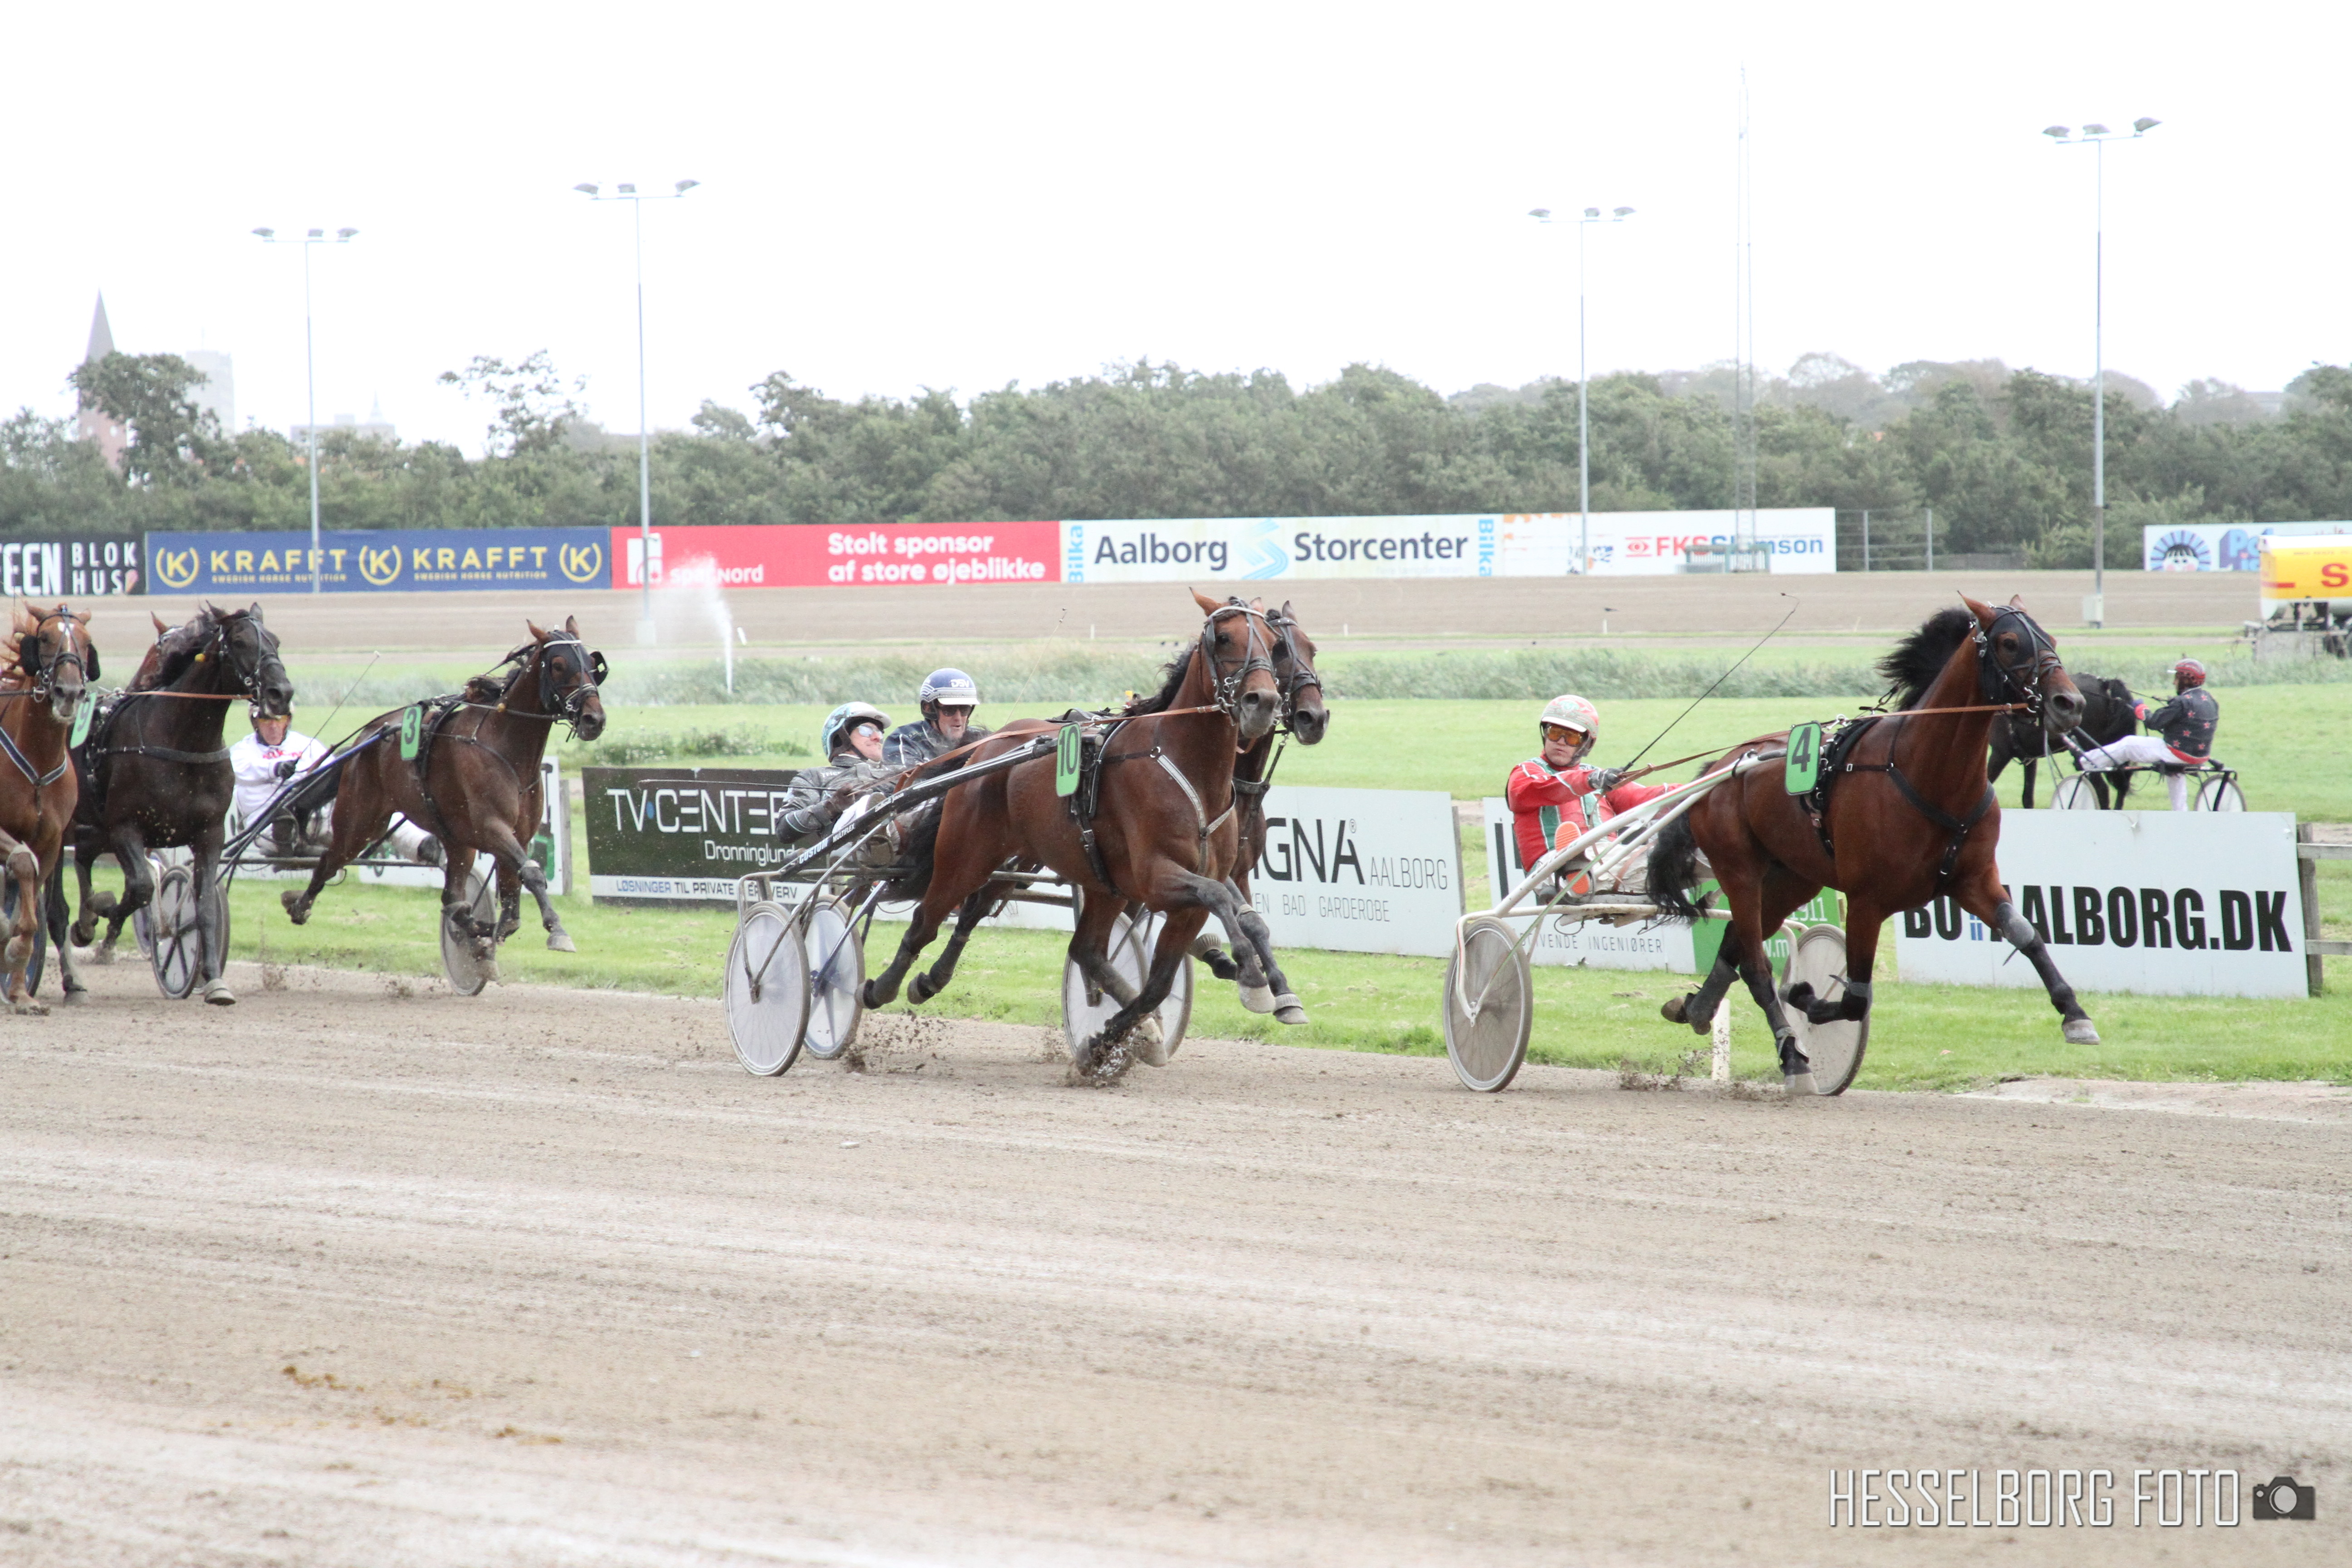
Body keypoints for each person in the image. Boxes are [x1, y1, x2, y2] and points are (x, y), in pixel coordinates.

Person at [1505, 694, 1671, 895]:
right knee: (1586, 857)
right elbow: (1548, 788)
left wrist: (1701, 789)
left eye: (1572, 737)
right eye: (1555, 732)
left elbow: (1644, 797)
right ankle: (1573, 865)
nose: (1561, 742)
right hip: (1548, 868)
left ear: (1587, 744)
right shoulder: (1525, 773)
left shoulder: (1598, 776)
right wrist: (1592, 780)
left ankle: (1580, 872)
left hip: (1609, 862)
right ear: (1545, 734)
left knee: (1673, 855)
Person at [230, 709, 436, 860]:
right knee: (283, 820)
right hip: (267, 825)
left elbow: (330, 777)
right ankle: (290, 837)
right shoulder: (242, 750)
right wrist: (274, 769)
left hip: (319, 819)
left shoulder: (305, 744)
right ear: (255, 722)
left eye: (280, 719)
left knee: (379, 812)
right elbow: (238, 771)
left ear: (288, 721)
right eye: (267, 720)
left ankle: (426, 847)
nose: (274, 725)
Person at [2075, 659, 2220, 811]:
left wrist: (2140, 708)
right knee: (2175, 774)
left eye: (2176, 678)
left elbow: (2154, 723)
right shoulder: (2209, 700)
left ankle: (2088, 761)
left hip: (2175, 754)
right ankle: (2181, 811)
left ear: (2184, 680)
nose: (2174, 683)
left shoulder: (2181, 702)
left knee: (2129, 744)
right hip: (2198, 756)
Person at [779, 702, 897, 841]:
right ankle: (877, 837)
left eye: (879, 732)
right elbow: (784, 831)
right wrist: (831, 807)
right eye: (867, 731)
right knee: (865, 804)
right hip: (848, 848)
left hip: (908, 842)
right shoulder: (815, 776)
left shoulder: (896, 772)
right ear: (841, 735)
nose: (877, 738)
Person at [883, 668, 989, 767]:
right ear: (929, 709)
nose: (958, 718)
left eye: (965, 709)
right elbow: (907, 782)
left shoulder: (982, 740)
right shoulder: (903, 740)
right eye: (949, 710)